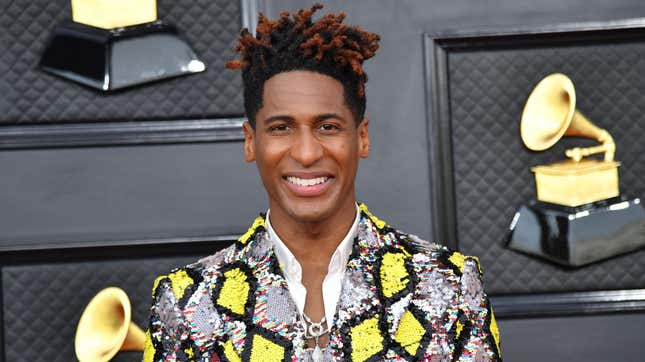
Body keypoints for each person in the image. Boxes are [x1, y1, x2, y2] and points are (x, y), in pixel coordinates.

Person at [143, 4, 501, 361]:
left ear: (361, 137)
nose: (307, 153)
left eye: (327, 127)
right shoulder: (190, 302)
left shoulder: (447, 283)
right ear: (251, 141)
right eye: (281, 128)